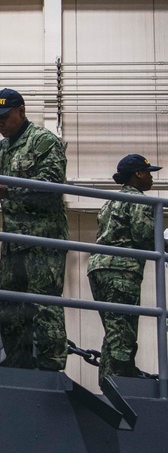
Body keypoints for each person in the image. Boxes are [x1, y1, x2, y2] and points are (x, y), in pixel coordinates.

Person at [0, 88, 68, 371]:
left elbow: (52, 186)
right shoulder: (0, 151)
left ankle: (50, 367)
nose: (0, 124)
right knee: (9, 309)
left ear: (22, 111)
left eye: (5, 117)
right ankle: (19, 367)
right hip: (13, 244)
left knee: (44, 306)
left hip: (43, 241)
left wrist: (8, 190)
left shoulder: (44, 141)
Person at [86, 154, 161, 380]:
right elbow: (143, 235)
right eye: (148, 172)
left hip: (99, 267)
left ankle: (110, 378)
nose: (151, 178)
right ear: (137, 173)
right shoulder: (139, 200)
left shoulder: (110, 201)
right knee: (123, 331)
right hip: (121, 270)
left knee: (115, 328)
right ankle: (120, 381)